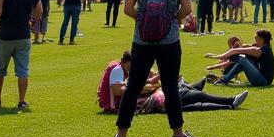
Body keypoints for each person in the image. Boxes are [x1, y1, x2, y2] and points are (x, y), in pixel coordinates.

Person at [109, 0, 197, 137]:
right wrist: (172, 19)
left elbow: (128, 8)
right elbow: (187, 9)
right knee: (170, 87)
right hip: (169, 39)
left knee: (133, 87)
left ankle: (121, 134)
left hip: (142, 41)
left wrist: (143, 20)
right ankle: (177, 133)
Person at [101, 50, 247, 113]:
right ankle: (230, 101)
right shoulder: (118, 70)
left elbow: (147, 78)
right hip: (143, 101)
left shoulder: (125, 70)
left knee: (192, 103)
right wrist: (146, 87)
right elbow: (117, 91)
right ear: (128, 61)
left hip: (145, 99)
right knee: (193, 98)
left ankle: (229, 104)